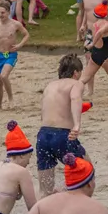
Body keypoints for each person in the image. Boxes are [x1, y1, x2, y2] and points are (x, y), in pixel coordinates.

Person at [34, 54, 87, 199]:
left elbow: (43, 112)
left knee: (45, 190)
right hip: (62, 135)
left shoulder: (49, 86)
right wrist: (77, 124)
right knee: (87, 172)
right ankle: (65, 193)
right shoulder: (76, 84)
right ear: (75, 72)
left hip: (43, 135)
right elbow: (75, 98)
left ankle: (44, 210)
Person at [0, 1, 29, 110]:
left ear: (8, 12)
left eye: (2, 12)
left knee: (4, 76)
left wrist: (20, 45)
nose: (0, 15)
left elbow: (26, 35)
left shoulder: (15, 24)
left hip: (10, 54)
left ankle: (11, 99)